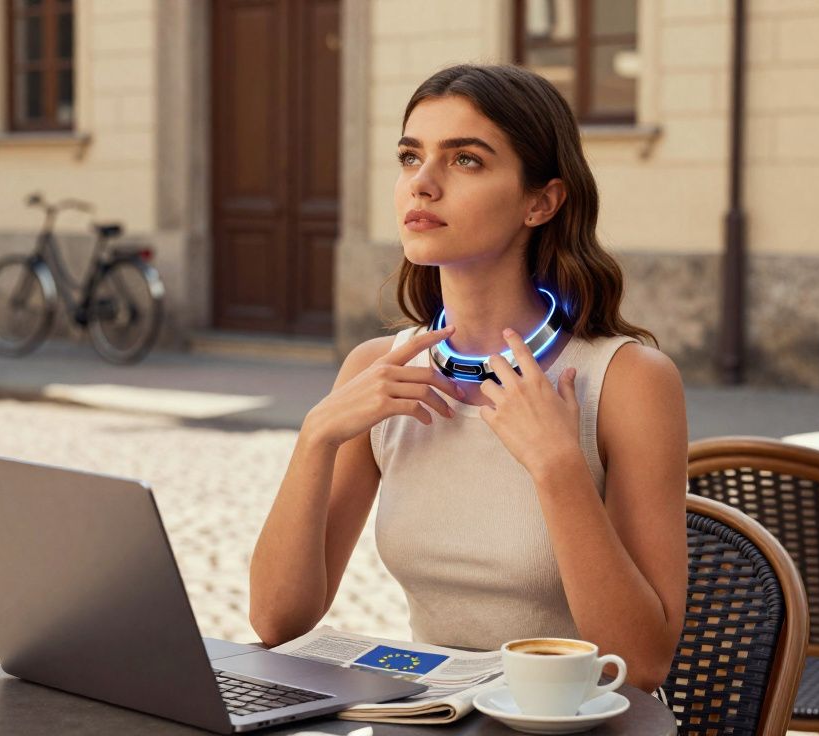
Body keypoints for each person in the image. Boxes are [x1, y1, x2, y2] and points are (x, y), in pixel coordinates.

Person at [249, 64, 687, 693]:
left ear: (542, 201)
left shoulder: (627, 381)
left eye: (465, 161)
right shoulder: (379, 372)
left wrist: (558, 468)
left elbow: (640, 666)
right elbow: (278, 623)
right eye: (409, 156)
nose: (420, 186)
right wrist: (316, 436)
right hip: (428, 721)